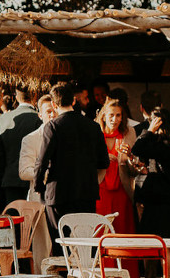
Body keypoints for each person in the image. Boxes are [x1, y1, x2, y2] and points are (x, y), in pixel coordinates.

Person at [35, 82, 109, 232]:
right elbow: (104, 163)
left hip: (58, 193)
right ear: (74, 101)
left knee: (60, 242)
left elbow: (42, 161)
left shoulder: (53, 126)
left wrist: (39, 186)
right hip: (86, 194)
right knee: (84, 241)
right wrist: (92, 182)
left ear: (54, 105)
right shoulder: (93, 127)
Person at [130, 107, 170, 239]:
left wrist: (149, 131)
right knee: (168, 246)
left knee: (157, 245)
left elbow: (137, 148)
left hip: (159, 201)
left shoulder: (162, 146)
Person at [0, 86, 41, 206]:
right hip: (33, 179)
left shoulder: (3, 118)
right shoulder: (38, 118)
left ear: (17, 98)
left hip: (10, 179)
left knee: (13, 220)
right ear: (34, 96)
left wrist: (3, 174)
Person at [95, 97, 138, 234]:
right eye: (111, 115)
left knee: (122, 230)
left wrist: (130, 156)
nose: (115, 119)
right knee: (101, 230)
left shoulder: (129, 133)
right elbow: (85, 161)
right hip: (100, 189)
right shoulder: (96, 133)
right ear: (104, 116)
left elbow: (136, 168)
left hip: (122, 188)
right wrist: (102, 158)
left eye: (118, 115)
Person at [17, 95, 58, 201]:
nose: (53, 115)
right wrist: (49, 173)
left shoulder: (69, 136)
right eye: (48, 112)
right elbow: (24, 171)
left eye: (55, 110)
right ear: (40, 115)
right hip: (40, 199)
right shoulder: (31, 139)